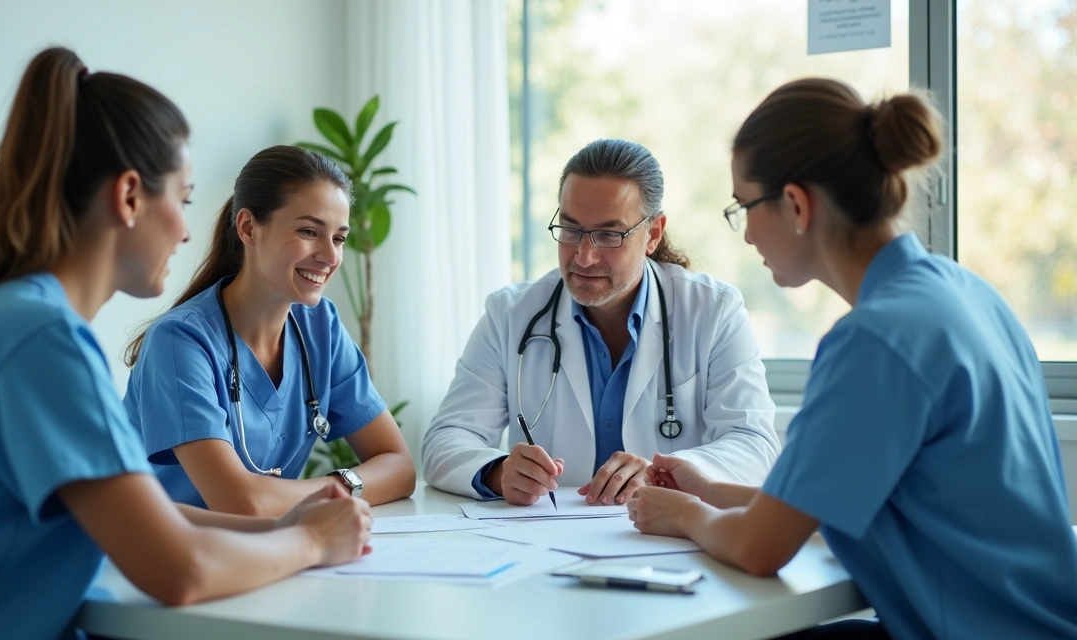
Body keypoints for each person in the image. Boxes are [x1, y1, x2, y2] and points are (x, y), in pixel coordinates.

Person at [0, 48, 372, 640]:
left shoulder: (21, 320)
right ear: (129, 197)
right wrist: (309, 540)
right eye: (181, 201)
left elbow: (139, 519)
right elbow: (177, 570)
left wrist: (284, 526)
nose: (186, 230)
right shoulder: (41, 342)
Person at [627, 78, 1077, 639]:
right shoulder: (963, 293)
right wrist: (707, 490)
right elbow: (808, 509)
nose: (745, 237)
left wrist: (683, 516)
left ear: (795, 204)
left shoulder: (873, 341)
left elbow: (759, 548)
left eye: (743, 207)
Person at [423, 138, 779, 507]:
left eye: (609, 234)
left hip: (666, 540)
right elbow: (445, 440)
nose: (585, 256)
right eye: (571, 229)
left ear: (653, 234)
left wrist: (665, 472)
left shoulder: (713, 310)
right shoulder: (510, 314)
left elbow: (755, 445)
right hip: (545, 540)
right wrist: (498, 472)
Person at [123, 145, 415, 517]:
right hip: (162, 562)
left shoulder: (320, 327)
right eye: (309, 231)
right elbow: (241, 504)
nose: (330, 256)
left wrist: (326, 489)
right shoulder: (179, 342)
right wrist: (341, 490)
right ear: (248, 228)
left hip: (269, 551)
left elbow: (399, 467)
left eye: (339, 238)